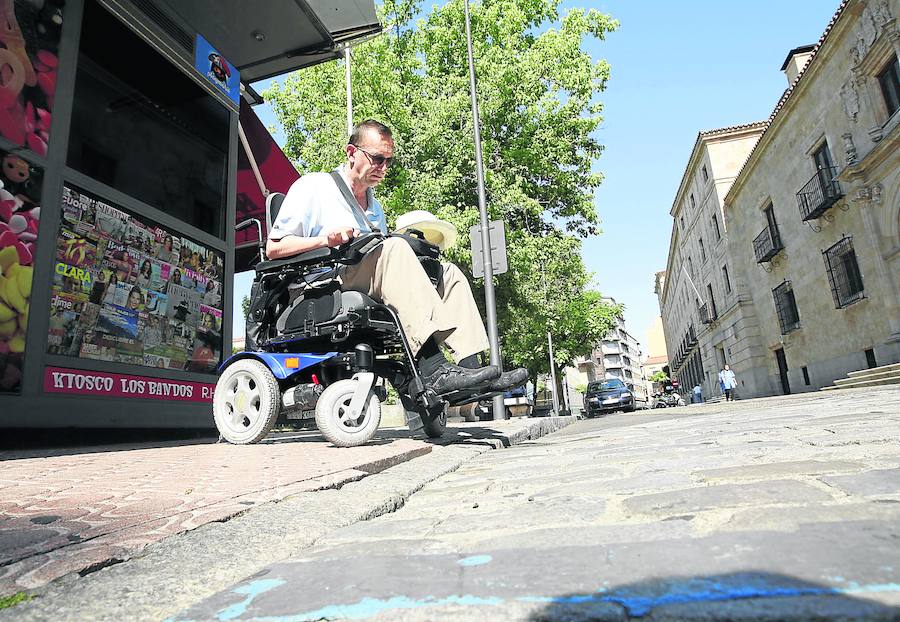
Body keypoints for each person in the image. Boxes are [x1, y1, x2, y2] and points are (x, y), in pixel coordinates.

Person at [266, 119, 526, 396]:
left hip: (366, 274)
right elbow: (274, 248)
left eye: (389, 161)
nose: (384, 168)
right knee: (394, 250)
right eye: (377, 159)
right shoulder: (314, 187)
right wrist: (325, 239)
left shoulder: (374, 207)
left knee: (445, 272)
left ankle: (472, 372)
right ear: (352, 152)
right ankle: (434, 368)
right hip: (325, 281)